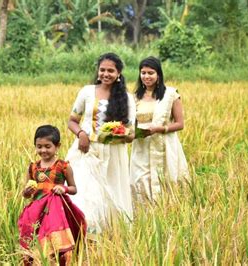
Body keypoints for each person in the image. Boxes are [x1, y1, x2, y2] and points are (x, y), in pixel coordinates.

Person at [65, 53, 136, 235]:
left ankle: (109, 235)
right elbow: (72, 120)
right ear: (98, 72)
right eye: (102, 70)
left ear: (118, 73)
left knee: (110, 192)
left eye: (110, 71)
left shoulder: (127, 98)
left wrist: (118, 134)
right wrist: (81, 133)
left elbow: (131, 134)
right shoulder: (87, 92)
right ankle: (82, 232)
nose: (106, 74)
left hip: (113, 154)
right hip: (86, 151)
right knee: (84, 191)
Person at [18, 125, 86, 266]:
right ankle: (38, 261)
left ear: (57, 146)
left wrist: (63, 188)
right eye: (39, 146)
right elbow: (25, 194)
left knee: (55, 240)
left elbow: (74, 189)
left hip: (56, 211)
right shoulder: (33, 168)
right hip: (37, 211)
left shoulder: (63, 166)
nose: (43, 150)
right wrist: (26, 192)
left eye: (48, 146)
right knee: (35, 237)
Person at [130, 56, 189, 202]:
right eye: (143, 73)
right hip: (141, 147)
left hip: (165, 145)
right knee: (140, 181)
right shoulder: (135, 97)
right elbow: (131, 123)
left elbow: (180, 124)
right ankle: (144, 218)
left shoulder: (171, 95)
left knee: (166, 180)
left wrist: (159, 129)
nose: (146, 76)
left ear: (158, 75)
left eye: (151, 73)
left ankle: (167, 214)